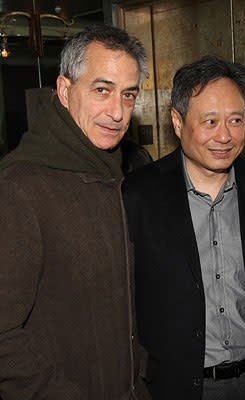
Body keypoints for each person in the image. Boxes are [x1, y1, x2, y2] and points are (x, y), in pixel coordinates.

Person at [122, 55, 245, 400]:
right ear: (178, 122)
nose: (224, 135)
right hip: (177, 388)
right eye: (210, 121)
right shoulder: (138, 195)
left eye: (236, 120)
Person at [0, 24, 150, 399]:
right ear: (65, 91)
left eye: (128, 95)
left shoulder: (128, 174)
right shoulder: (19, 188)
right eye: (102, 90)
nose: (117, 112)